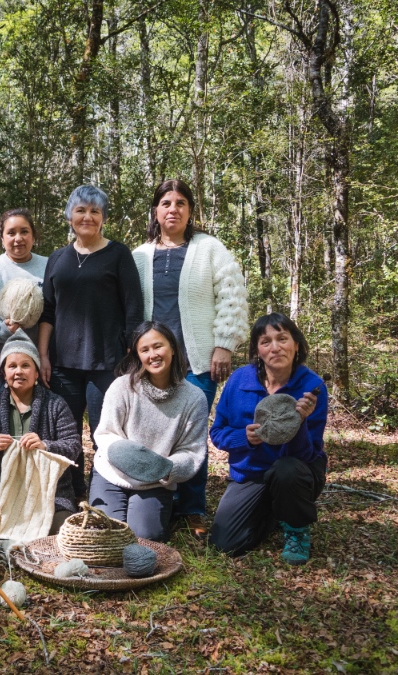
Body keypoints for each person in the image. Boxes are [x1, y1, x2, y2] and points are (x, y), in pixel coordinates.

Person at [130, 178, 250, 534]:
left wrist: (224, 343)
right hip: (151, 361)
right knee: (151, 431)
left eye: (181, 203)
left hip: (196, 359)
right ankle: (157, 500)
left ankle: (192, 507)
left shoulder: (209, 249)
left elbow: (232, 295)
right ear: (156, 210)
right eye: (166, 203)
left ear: (190, 211)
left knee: (191, 433)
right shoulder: (139, 256)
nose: (173, 209)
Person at [37, 185, 143, 498]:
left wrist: (131, 357)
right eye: (81, 210)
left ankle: (104, 494)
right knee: (66, 436)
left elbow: (133, 309)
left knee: (104, 433)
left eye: (95, 211)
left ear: (103, 218)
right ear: (70, 215)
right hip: (62, 366)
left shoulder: (118, 254)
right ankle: (70, 494)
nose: (88, 217)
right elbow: (48, 311)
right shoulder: (58, 258)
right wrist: (43, 355)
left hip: (106, 363)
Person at [209, 313, 327, 565]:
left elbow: (308, 455)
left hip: (295, 472)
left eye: (282, 338)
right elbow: (217, 433)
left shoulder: (311, 386)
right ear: (258, 351)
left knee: (287, 471)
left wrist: (300, 423)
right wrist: (245, 438)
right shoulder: (240, 380)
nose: (275, 347)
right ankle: (275, 512)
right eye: (266, 342)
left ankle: (296, 528)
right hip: (251, 473)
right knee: (225, 545)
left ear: (296, 344)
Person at [89, 322, 208, 542]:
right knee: (107, 538)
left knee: (145, 538)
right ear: (138, 355)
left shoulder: (194, 398)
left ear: (172, 347)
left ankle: (157, 513)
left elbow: (192, 451)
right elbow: (105, 434)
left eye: (158, 346)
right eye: (145, 350)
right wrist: (129, 457)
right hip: (111, 474)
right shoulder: (122, 386)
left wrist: (164, 468)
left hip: (156, 481)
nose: (152, 355)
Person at [0, 330, 81, 533]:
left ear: (37, 372)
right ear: (4, 373)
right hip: (0, 491)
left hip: (49, 493)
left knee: (55, 534)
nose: (19, 371)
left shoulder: (55, 404)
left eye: (26, 365)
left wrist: (46, 445)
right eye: (12, 366)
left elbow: (73, 446)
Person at [0, 208, 48, 396]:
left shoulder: (50, 265)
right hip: (3, 358)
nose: (18, 238)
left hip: (40, 358)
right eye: (11, 233)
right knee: (4, 416)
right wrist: (2, 329)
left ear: (33, 236)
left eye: (24, 231)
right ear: (2, 238)